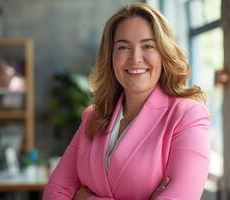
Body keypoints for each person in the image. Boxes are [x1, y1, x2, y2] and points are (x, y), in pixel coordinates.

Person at [43, 2, 210, 200]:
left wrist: (84, 197)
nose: (135, 58)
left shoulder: (187, 116)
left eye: (147, 46)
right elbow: (54, 192)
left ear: (164, 54)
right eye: (123, 47)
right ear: (111, 56)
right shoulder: (93, 117)